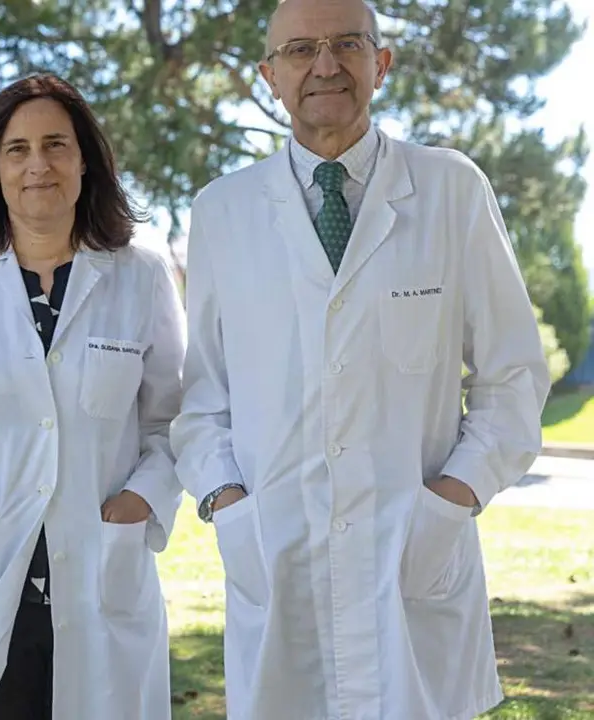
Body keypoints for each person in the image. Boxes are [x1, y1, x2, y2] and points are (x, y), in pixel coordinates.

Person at [169, 0, 552, 717]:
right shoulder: (222, 210)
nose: (324, 65)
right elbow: (202, 403)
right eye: (300, 50)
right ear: (270, 76)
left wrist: (453, 500)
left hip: (415, 565)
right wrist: (227, 504)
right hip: (278, 560)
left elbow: (514, 378)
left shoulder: (451, 189)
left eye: (348, 43)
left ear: (381, 63)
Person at [0, 73, 187, 720]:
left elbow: (172, 421)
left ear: (85, 162)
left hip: (102, 578)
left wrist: (139, 502)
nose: (38, 165)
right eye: (17, 149)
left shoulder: (140, 277)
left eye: (57, 145)